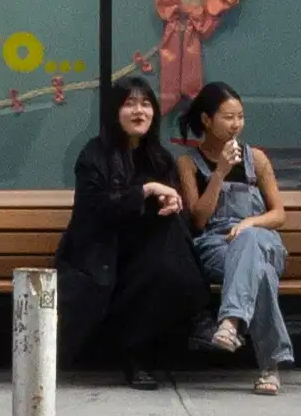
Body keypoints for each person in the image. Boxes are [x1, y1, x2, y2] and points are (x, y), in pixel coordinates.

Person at [53, 74, 208, 390]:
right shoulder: (93, 155)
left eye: (146, 103)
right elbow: (97, 211)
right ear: (114, 112)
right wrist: (147, 190)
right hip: (100, 254)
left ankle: (159, 341)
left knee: (169, 236)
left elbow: (164, 209)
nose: (140, 111)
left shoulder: (160, 157)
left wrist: (169, 201)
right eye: (130, 104)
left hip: (145, 254)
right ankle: (199, 315)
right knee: (161, 264)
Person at [174, 81, 293, 395]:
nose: (236, 124)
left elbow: (278, 214)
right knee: (262, 274)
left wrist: (251, 223)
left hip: (263, 239)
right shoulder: (188, 163)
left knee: (252, 242)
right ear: (206, 120)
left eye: (240, 116)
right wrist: (220, 172)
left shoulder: (257, 159)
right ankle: (271, 367)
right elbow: (198, 219)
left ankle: (230, 322)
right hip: (216, 245)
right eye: (228, 117)